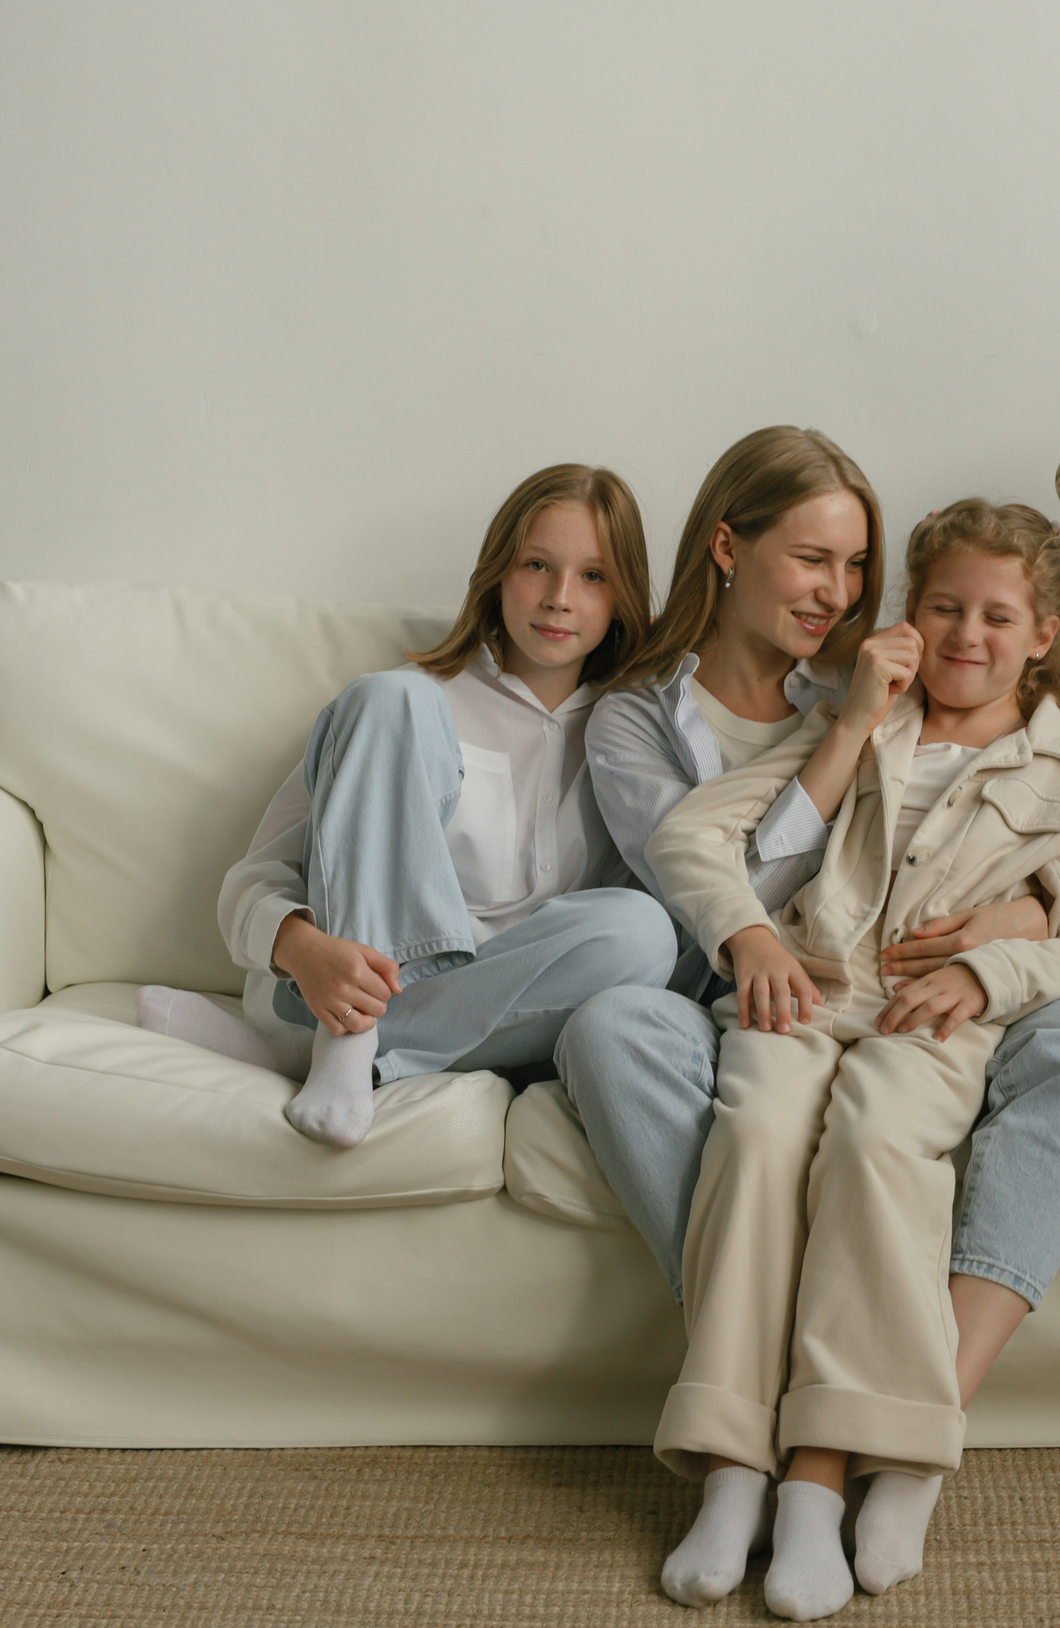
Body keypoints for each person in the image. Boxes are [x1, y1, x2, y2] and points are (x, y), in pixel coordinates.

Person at [553, 430, 1060, 1610]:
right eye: (942, 611)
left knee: (876, 1140)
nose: (965, 638)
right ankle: (732, 1469)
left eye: (994, 618)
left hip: (932, 1024)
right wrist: (757, 936)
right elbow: (691, 839)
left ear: (1043, 634)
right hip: (810, 991)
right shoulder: (853, 719)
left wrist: (992, 973)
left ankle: (825, 1475)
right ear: (909, 619)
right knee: (762, 1129)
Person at [136, 463, 679, 1146]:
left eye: (593, 576)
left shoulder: (630, 733)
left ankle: (329, 1057)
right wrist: (303, 950)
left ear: (624, 595)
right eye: (537, 564)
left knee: (645, 931)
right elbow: (249, 885)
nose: (560, 598)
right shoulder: (407, 707)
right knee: (389, 696)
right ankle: (341, 1041)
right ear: (497, 574)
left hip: (515, 1005)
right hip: (341, 985)